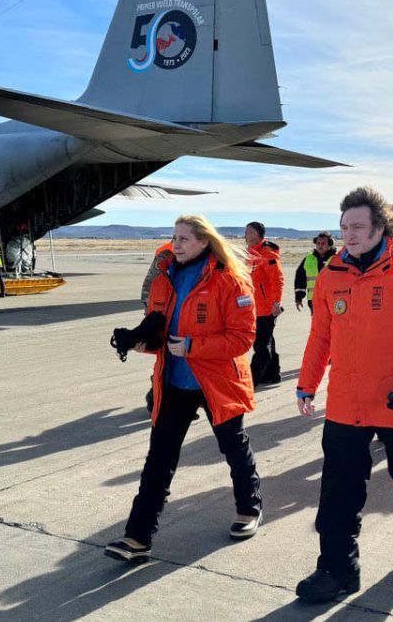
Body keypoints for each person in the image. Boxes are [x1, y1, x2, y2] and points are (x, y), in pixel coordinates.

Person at [294, 186, 393, 603]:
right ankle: (337, 570)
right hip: (346, 401)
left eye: (359, 226)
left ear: (380, 227)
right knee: (339, 490)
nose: (350, 234)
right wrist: (307, 383)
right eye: (344, 226)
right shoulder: (331, 274)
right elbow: (320, 335)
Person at [105, 215, 263, 563]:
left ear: (205, 242)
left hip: (218, 382)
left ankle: (249, 508)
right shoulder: (165, 277)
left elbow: (242, 338)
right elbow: (160, 329)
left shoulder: (231, 280)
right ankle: (138, 538)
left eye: (184, 239)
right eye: (174, 238)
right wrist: (136, 341)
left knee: (233, 447)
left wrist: (193, 347)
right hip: (174, 381)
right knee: (158, 459)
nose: (176, 245)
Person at [141, 241, 177, 415]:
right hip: (162, 317)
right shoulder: (164, 256)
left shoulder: (195, 256)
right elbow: (150, 283)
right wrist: (149, 314)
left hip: (180, 315)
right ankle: (154, 398)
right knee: (166, 360)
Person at [246, 221, 284, 385]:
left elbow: (277, 280)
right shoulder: (252, 254)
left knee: (261, 345)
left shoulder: (267, 254)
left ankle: (252, 379)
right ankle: (272, 374)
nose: (246, 235)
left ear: (258, 235)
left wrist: (276, 303)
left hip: (267, 307)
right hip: (256, 306)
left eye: (249, 232)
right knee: (268, 340)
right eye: (245, 232)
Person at [294, 232, 337, 313]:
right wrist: (299, 297)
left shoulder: (336, 260)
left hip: (332, 301)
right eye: (318, 243)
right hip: (314, 301)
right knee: (317, 325)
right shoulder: (308, 259)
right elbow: (300, 278)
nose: (320, 246)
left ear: (330, 245)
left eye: (323, 243)